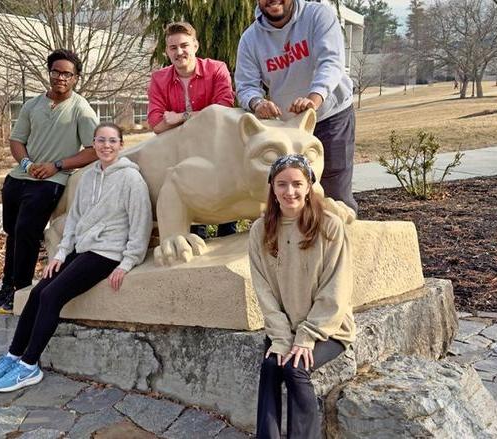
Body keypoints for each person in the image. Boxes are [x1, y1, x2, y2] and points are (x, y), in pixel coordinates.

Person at [0, 123, 153, 392]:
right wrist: (60, 253)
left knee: (52, 296)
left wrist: (128, 261)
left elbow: (140, 223)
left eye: (112, 141)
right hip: (83, 249)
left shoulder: (131, 179)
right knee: (39, 292)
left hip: (108, 253)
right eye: (100, 141)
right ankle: (13, 356)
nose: (106, 146)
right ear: (93, 144)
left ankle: (29, 365)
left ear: (121, 145)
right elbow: (74, 220)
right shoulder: (88, 177)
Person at [248, 154, 355, 438]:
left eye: (297, 183)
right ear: (272, 187)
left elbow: (336, 288)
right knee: (271, 366)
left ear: (309, 186)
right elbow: (264, 293)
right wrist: (283, 338)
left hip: (328, 329)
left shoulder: (329, 226)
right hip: (286, 328)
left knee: (295, 369)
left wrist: (306, 337)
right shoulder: (260, 231)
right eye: (282, 184)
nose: (290, 191)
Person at [0, 49, 99, 314]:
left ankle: (22, 291)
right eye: (56, 71)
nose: (60, 77)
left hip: (51, 182)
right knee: (13, 233)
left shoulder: (81, 109)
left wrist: (56, 165)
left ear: (75, 78)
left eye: (67, 74)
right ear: (49, 73)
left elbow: (94, 149)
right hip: (18, 178)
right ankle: (6, 287)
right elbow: (17, 140)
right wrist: (26, 164)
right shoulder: (32, 105)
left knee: (27, 232)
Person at [235, 0, 358, 212]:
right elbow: (245, 86)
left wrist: (314, 99)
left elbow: (331, 62)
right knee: (294, 196)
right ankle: (301, 243)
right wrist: (257, 103)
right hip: (291, 128)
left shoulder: (318, 15)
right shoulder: (250, 39)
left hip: (331, 115)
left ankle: (343, 241)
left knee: (335, 195)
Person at [147, 21, 238, 239]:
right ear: (166, 51)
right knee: (194, 215)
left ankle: (230, 245)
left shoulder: (216, 69)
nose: (179, 52)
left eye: (184, 45)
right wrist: (204, 115)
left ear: (195, 45)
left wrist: (181, 117)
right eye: (173, 48)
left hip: (218, 150)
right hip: (183, 153)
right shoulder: (159, 79)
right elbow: (157, 123)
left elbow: (223, 110)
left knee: (227, 216)